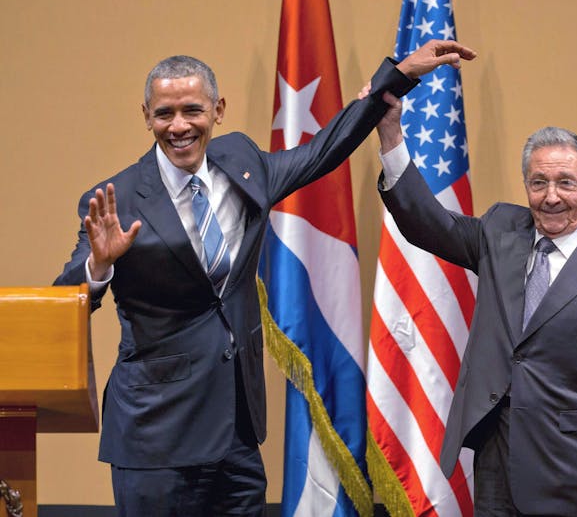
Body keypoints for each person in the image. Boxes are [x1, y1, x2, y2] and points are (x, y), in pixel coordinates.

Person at [53, 40, 476, 516]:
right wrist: (99, 268)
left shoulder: (243, 163)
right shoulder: (117, 199)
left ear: (218, 110)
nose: (178, 126)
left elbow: (324, 150)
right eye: (163, 114)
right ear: (146, 116)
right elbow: (61, 303)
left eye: (192, 110)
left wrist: (398, 75)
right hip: (156, 437)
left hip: (236, 432)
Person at [371, 90, 577, 517]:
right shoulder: (500, 231)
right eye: (538, 182)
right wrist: (391, 133)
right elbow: (427, 223)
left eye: (565, 182)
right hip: (498, 459)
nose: (551, 197)